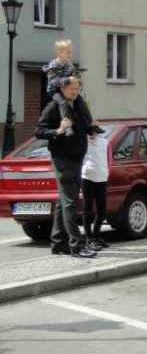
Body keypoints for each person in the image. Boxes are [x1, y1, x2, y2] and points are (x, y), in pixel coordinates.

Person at [34, 78, 96, 258]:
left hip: (77, 159)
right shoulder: (54, 107)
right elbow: (39, 131)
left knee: (64, 202)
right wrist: (58, 131)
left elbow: (82, 129)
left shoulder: (78, 105)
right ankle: (76, 246)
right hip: (62, 159)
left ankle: (58, 243)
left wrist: (90, 131)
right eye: (72, 88)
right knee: (70, 202)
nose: (75, 91)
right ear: (62, 88)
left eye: (77, 88)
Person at [42, 38, 103, 137]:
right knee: (62, 102)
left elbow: (74, 74)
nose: (70, 55)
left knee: (82, 101)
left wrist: (78, 80)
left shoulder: (69, 65)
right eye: (67, 52)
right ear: (59, 53)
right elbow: (54, 81)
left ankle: (91, 125)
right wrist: (68, 80)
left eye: (71, 52)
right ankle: (67, 127)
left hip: (67, 89)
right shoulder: (53, 66)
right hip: (55, 90)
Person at [81, 131, 112, 252]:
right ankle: (89, 239)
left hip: (101, 178)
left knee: (102, 211)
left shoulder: (104, 143)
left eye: (94, 130)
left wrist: (105, 171)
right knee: (87, 211)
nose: (91, 133)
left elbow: (109, 160)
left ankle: (97, 235)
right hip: (87, 177)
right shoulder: (83, 143)